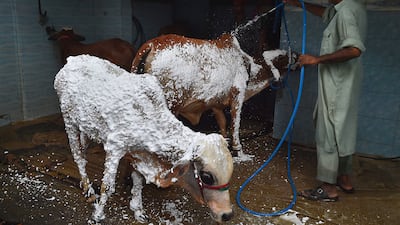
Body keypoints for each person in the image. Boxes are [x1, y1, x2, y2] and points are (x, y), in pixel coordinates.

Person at [284, 0, 367, 201]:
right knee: (343, 129)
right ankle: (344, 178)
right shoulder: (353, 7)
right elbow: (326, 13)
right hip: (347, 83)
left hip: (336, 84)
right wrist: (297, 3)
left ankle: (328, 188)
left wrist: (317, 59)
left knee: (328, 130)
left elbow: (354, 49)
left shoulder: (345, 13)